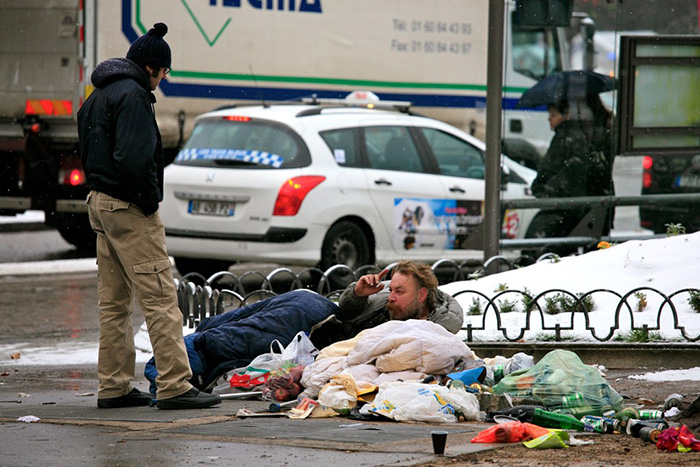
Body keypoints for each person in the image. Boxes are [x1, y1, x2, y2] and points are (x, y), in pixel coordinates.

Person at [77, 23, 220, 410]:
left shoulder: (99, 95)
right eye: (165, 72)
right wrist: (149, 202)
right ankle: (175, 384)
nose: (163, 79)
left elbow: (93, 149)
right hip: (128, 209)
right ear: (153, 68)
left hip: (99, 203)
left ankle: (113, 385)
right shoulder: (135, 95)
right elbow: (135, 158)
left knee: (115, 303)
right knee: (159, 298)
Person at [525, 97, 615, 247]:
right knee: (594, 250)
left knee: (557, 250)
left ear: (568, 114)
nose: (549, 119)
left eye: (553, 115)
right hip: (598, 202)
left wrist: (542, 187)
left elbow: (550, 169)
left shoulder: (567, 137)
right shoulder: (602, 129)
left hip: (572, 206)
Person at [330, 260, 464, 341]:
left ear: (422, 295)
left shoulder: (438, 332)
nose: (391, 297)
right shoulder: (382, 304)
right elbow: (346, 313)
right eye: (391, 290)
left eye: (399, 292)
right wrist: (357, 295)